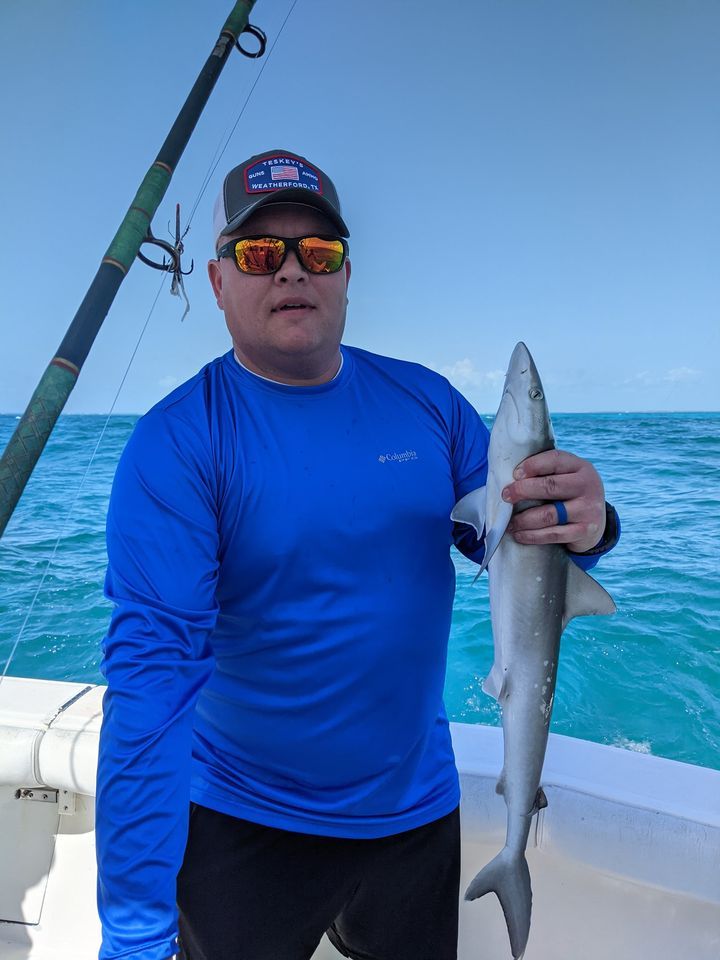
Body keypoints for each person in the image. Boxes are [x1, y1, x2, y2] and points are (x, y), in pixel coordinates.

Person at [95, 149, 620, 960]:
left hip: (415, 815)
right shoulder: (179, 444)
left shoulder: (427, 403)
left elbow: (515, 549)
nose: (293, 271)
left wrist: (588, 523)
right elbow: (150, 693)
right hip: (244, 822)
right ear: (217, 282)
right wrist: (133, 933)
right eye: (262, 252)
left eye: (321, 251)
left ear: (346, 274)